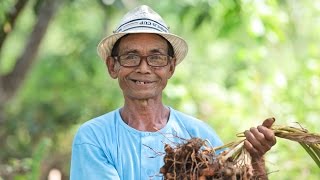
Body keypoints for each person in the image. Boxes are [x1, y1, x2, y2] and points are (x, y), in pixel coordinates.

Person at [70, 5, 276, 180]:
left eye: (156, 57)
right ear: (112, 66)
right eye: (131, 56)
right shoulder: (94, 137)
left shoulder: (200, 135)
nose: (143, 68)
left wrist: (255, 159)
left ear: (171, 67)